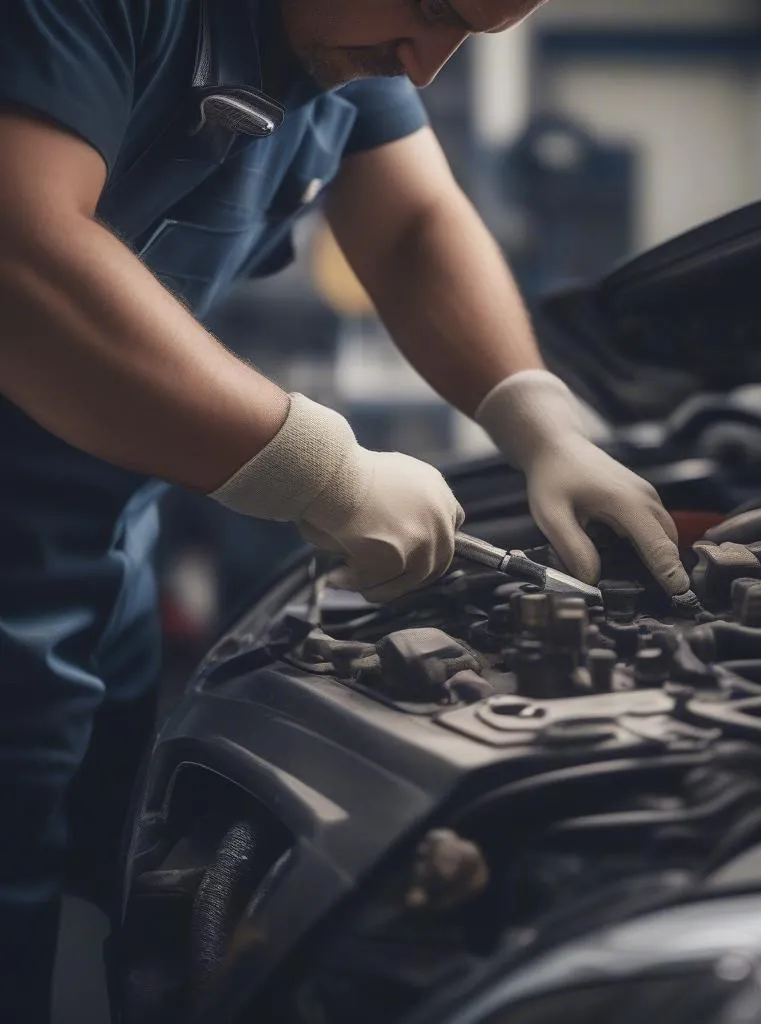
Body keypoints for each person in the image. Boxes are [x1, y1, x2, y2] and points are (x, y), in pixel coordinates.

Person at [0, 0, 689, 1018]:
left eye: (473, 34)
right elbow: (19, 255)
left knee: (97, 907)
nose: (424, 68)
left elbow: (412, 224)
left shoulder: (340, 39)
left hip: (98, 539)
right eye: (428, 9)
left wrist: (538, 416)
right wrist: (321, 470)